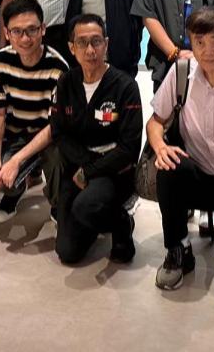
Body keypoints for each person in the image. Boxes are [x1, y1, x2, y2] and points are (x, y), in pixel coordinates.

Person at [146, 7, 214, 290]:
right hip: (199, 175)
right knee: (170, 165)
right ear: (191, 44)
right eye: (199, 42)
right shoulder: (182, 73)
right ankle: (178, 249)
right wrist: (159, 146)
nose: (208, 51)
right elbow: (155, 122)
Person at [50, 14, 143, 265]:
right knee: (67, 252)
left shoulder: (125, 86)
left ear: (106, 44)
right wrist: (84, 166)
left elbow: (129, 147)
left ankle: (122, 223)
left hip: (113, 171)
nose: (90, 50)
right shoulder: (66, 82)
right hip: (78, 167)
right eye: (82, 43)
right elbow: (59, 133)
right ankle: (92, 220)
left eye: (96, 41)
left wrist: (91, 171)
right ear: (71, 48)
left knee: (86, 207)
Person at [0, 0, 69, 223]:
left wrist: (16, 161)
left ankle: (58, 203)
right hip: (16, 135)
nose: (25, 38)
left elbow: (54, 126)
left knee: (59, 160)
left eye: (32, 30)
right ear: (6, 33)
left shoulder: (59, 68)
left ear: (43, 29)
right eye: (17, 31)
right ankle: (15, 190)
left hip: (49, 137)